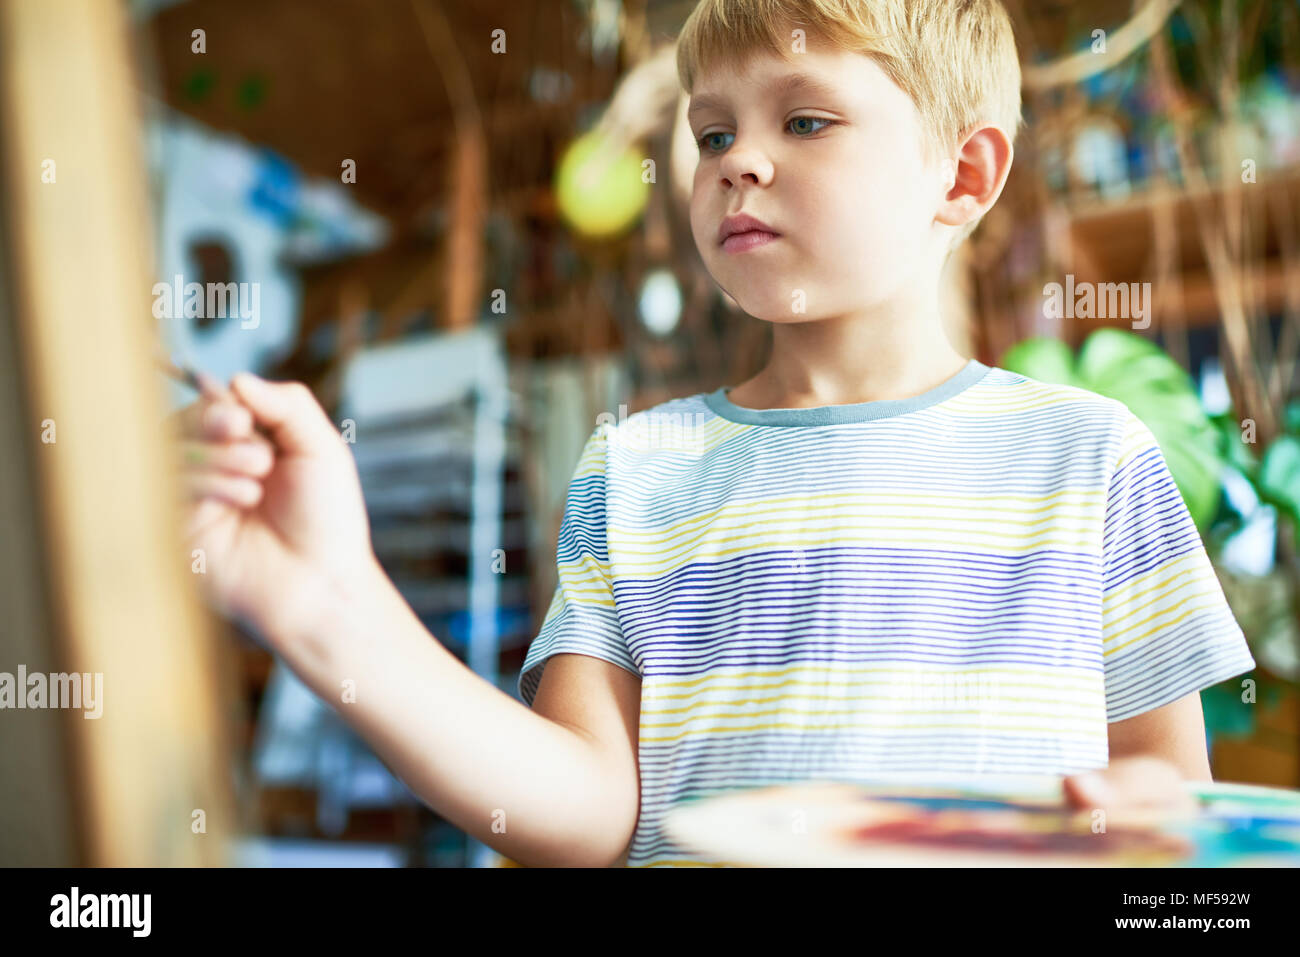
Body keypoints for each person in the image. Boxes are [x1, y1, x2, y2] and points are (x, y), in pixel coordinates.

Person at [175, 0, 1254, 867]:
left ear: (961, 176)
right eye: (711, 133)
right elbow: (588, 813)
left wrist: (1128, 820)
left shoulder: (1089, 457)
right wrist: (325, 605)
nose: (737, 161)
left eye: (805, 120)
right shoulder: (636, 470)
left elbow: (1174, 797)